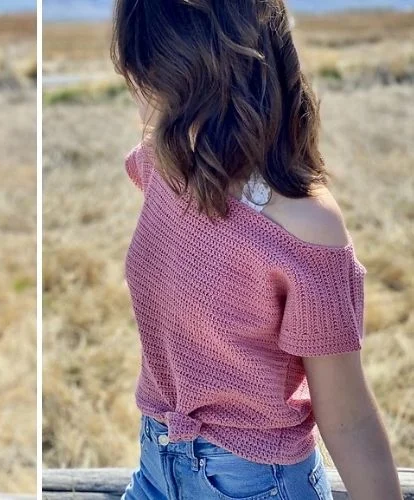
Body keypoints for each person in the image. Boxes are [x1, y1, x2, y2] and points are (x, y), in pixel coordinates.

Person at [110, 0, 402, 498]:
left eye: (151, 75)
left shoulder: (306, 225)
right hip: (156, 461)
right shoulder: (165, 166)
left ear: (200, 74)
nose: (140, 93)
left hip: (256, 482)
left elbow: (348, 416)